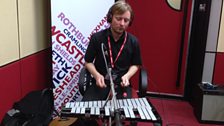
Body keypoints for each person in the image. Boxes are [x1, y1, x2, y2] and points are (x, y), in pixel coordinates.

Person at [83, 0, 142, 101]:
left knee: (126, 114)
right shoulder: (97, 38)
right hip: (101, 83)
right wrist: (97, 75)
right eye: (118, 19)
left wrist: (127, 76)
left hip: (122, 85)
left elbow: (136, 64)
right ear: (110, 18)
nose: (122, 24)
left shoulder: (133, 41)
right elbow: (88, 62)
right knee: (85, 114)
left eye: (126, 20)